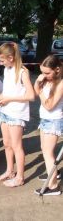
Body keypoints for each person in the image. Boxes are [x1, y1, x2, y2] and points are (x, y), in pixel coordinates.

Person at [0, 42, 35, 187]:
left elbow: (31, 96)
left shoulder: (23, 72)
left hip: (16, 114)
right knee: (7, 144)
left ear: (11, 57)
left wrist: (8, 98)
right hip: (5, 111)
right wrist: (2, 96)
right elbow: (9, 89)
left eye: (2, 60)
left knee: (17, 146)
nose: (0, 63)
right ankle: (9, 170)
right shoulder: (7, 69)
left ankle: (20, 177)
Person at [33, 55, 62, 195]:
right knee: (44, 149)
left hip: (53, 121)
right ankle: (53, 174)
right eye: (42, 72)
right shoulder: (46, 79)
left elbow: (49, 105)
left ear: (57, 70)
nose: (43, 75)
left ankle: (54, 186)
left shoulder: (61, 84)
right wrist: (38, 83)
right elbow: (35, 90)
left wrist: (39, 92)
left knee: (48, 153)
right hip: (44, 119)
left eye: (47, 73)